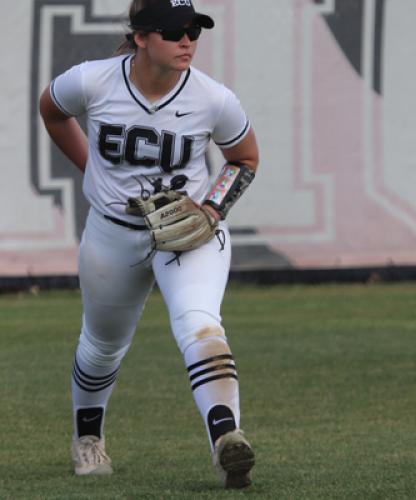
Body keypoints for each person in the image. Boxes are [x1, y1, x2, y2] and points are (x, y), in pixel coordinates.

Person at [39, 0, 259, 489]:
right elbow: (51, 109)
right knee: (102, 345)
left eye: (194, 30)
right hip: (112, 232)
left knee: (199, 324)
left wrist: (213, 209)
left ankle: (226, 440)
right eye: (173, 31)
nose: (187, 41)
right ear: (140, 37)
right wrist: (89, 170)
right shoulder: (91, 81)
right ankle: (87, 439)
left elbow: (243, 157)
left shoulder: (213, 98)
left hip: (189, 234)